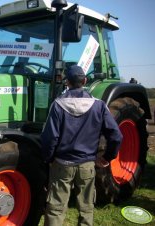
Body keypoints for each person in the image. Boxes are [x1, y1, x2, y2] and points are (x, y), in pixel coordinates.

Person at [41, 65, 123, 226]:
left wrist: (49, 158)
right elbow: (116, 136)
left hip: (61, 165)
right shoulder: (99, 106)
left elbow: (49, 138)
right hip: (87, 165)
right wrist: (107, 157)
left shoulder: (57, 105)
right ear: (85, 81)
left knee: (56, 209)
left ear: (67, 83)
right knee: (86, 209)